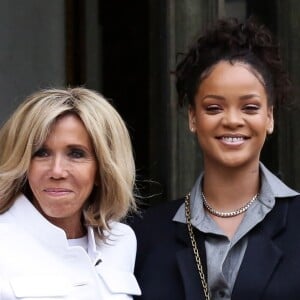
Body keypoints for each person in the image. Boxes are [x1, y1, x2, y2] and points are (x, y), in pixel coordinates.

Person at [131, 17, 300, 300]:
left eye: (249, 107)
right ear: (193, 118)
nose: (232, 120)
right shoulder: (143, 236)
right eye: (213, 108)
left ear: (269, 116)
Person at [0, 87, 141, 299]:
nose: (56, 171)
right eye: (41, 153)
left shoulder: (121, 240)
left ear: (103, 168)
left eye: (76, 154)